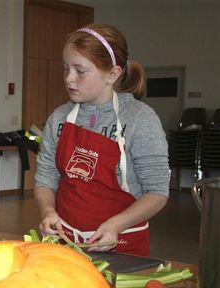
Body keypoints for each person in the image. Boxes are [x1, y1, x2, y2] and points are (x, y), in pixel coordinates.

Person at [34, 23, 170, 256]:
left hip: (123, 245)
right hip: (66, 243)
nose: (69, 78)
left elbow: (157, 193)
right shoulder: (59, 117)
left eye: (80, 70)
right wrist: (48, 211)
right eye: (66, 68)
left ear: (113, 74)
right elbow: (46, 177)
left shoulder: (139, 118)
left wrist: (116, 225)